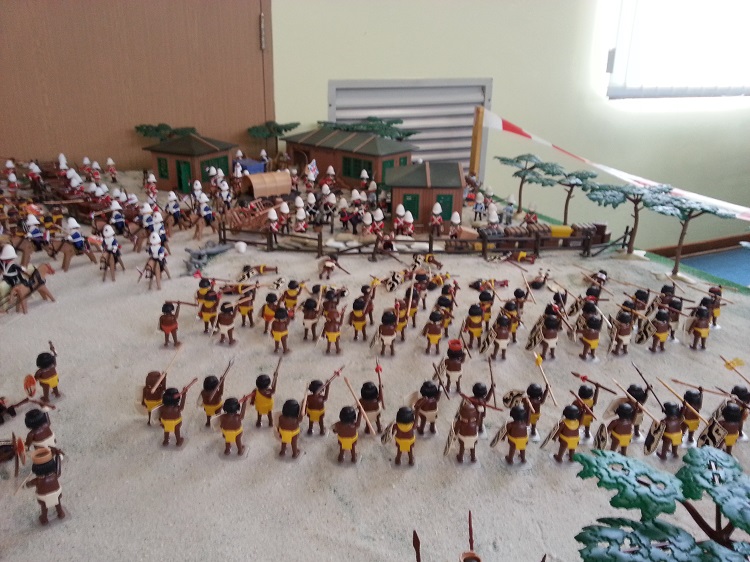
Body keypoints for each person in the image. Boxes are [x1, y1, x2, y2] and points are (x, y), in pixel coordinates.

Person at [25, 448, 65, 525]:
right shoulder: (55, 475)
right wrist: (57, 457)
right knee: (58, 503)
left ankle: (44, 519)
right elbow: (58, 470)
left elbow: (29, 484)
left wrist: (27, 484)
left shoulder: (38, 480)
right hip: (56, 493)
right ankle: (61, 513)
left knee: (44, 508)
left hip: (43, 497)